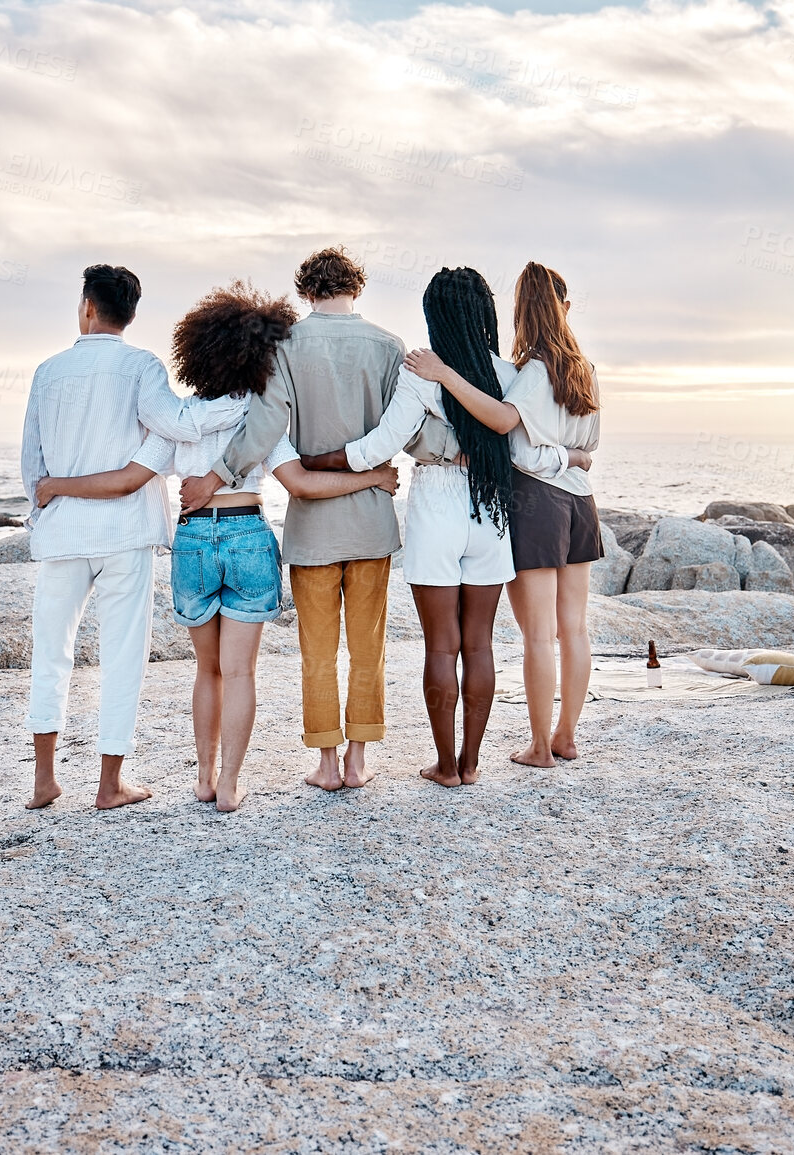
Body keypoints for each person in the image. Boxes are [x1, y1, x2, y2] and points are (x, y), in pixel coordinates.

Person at [35, 284, 400, 811]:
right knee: (240, 672)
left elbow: (129, 477)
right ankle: (230, 784)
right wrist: (369, 481)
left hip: (192, 542)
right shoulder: (260, 416)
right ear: (258, 354)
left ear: (196, 353)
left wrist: (56, 486)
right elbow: (299, 483)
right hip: (248, 533)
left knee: (206, 671)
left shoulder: (180, 421)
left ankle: (203, 778)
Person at [299, 267, 571, 787]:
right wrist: (574, 457)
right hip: (492, 510)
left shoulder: (423, 370)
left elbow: (378, 446)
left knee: (441, 647)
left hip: (437, 507)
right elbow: (522, 448)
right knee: (480, 646)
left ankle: (445, 766)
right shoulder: (507, 374)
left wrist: (320, 460)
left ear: (435, 315)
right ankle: (471, 764)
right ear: (485, 313)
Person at [180, 247, 404, 792]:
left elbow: (264, 423)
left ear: (306, 292)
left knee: (318, 649)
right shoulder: (389, 347)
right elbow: (410, 430)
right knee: (368, 648)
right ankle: (357, 760)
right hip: (372, 522)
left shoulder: (286, 346)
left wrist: (216, 475)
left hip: (313, 528)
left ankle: (326, 765)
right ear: (358, 288)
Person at [401, 262, 601, 768]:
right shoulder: (585, 371)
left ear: (519, 313)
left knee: (540, 634)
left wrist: (444, 373)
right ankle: (566, 736)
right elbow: (591, 445)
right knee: (574, 628)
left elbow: (510, 436)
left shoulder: (533, 371)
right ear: (566, 309)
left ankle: (540, 747)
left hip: (538, 502)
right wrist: (573, 457)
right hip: (581, 501)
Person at [18, 264, 174, 812]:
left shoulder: (49, 371)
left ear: (87, 307)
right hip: (125, 530)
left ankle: (44, 778)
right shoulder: (142, 366)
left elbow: (31, 462)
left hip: (63, 531)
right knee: (123, 654)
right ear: (130, 315)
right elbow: (167, 428)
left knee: (50, 652)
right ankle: (110, 784)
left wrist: (48, 502)